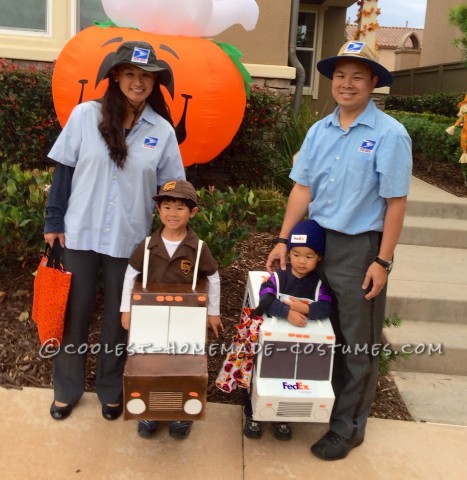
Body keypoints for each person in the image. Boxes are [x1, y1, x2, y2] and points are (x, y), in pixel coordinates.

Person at [266, 40, 412, 460]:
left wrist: (382, 261)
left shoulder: (389, 134)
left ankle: (348, 427)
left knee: (355, 340)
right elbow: (302, 188)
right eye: (341, 76)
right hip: (315, 243)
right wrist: (283, 239)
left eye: (358, 77)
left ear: (372, 84)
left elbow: (395, 203)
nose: (347, 84)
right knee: (316, 329)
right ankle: (324, 404)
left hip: (359, 247)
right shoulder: (319, 130)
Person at [44, 41, 185, 421]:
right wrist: (53, 222)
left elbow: (173, 189)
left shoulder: (162, 131)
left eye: (146, 76)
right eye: (130, 74)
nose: (137, 82)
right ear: (115, 77)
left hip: (130, 240)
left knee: (119, 319)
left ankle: (109, 388)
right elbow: (65, 170)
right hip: (81, 232)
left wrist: (170, 236)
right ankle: (67, 388)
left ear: (155, 83)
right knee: (75, 313)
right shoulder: (85, 115)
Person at [120, 179, 224, 439]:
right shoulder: (147, 246)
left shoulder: (197, 248)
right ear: (159, 211)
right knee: (150, 361)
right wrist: (127, 309)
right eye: (167, 207)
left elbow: (213, 278)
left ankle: (181, 414)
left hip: (186, 319)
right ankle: (149, 412)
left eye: (180, 208)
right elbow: (130, 275)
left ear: (193, 212)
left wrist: (213, 312)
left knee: (183, 361)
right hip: (149, 318)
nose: (172, 214)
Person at [242, 219, 332, 441]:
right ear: (288, 254)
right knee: (259, 373)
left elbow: (327, 306)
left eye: (309, 256)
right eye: (296, 254)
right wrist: (287, 312)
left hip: (301, 345)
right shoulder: (279, 278)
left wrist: (305, 308)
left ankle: (282, 416)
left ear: (319, 257)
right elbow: (265, 298)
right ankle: (252, 413)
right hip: (270, 342)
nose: (302, 261)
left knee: (291, 379)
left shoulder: (319, 284)